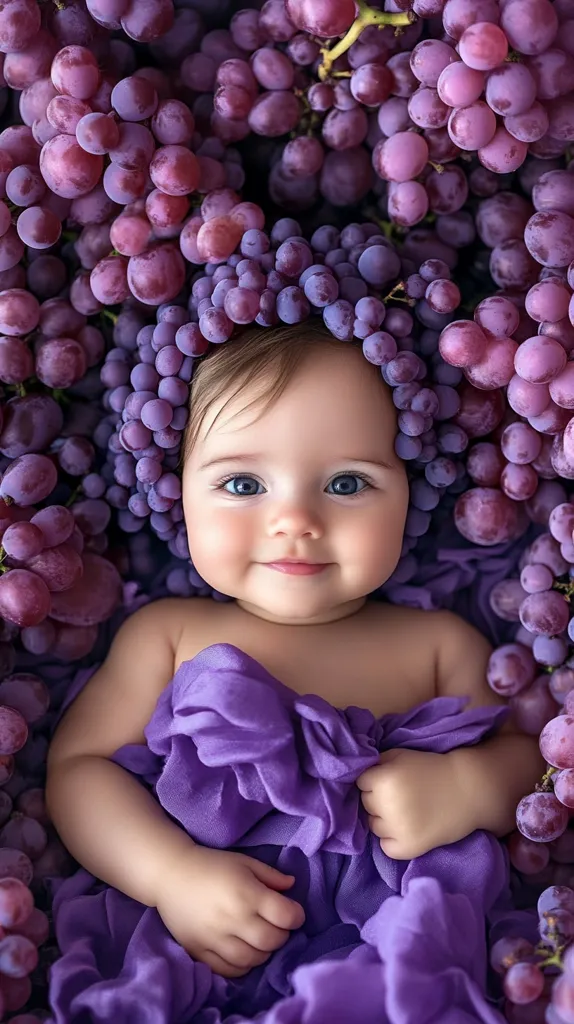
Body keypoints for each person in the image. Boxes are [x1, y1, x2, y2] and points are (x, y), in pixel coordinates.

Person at [46, 321, 543, 981]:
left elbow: (535, 755)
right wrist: (170, 874)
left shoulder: (437, 646)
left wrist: (469, 786)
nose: (296, 521)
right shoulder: (170, 636)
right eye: (245, 485)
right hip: (201, 962)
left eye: (346, 484)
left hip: (397, 965)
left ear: (409, 489)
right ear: (181, 491)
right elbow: (79, 771)